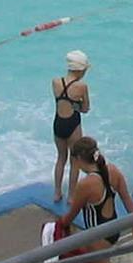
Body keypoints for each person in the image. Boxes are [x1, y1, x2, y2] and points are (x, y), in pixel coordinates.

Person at [51, 50, 92, 203]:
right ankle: (71, 196)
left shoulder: (55, 82)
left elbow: (61, 101)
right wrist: (78, 105)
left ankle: (56, 193)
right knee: (75, 161)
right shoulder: (81, 87)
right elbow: (85, 108)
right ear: (81, 70)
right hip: (73, 124)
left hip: (58, 123)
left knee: (61, 158)